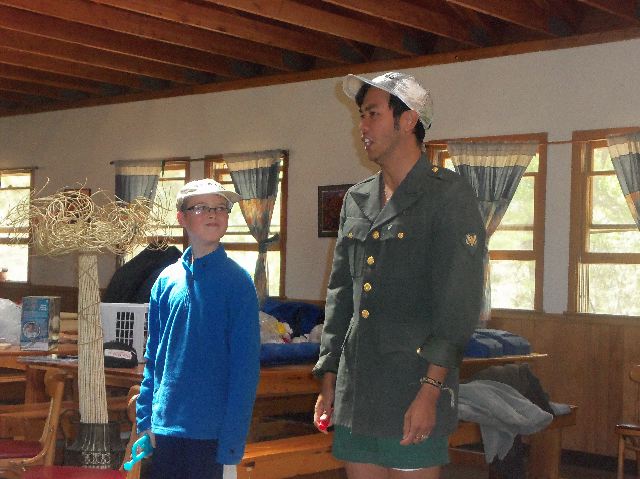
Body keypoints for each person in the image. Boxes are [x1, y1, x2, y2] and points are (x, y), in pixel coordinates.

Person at [312, 72, 486, 479]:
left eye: (372, 114)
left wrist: (431, 391)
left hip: (413, 384)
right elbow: (341, 296)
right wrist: (329, 376)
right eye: (361, 115)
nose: (362, 126)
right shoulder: (357, 199)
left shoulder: (448, 195)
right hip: (357, 388)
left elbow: (458, 305)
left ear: (408, 120)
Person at [136, 178, 261, 479]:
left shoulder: (238, 282)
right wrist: (145, 421)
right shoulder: (166, 281)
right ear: (182, 218)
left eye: (221, 207)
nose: (213, 214)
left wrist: (232, 441)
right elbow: (154, 359)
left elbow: (245, 370)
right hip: (164, 429)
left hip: (212, 434)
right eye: (201, 207)